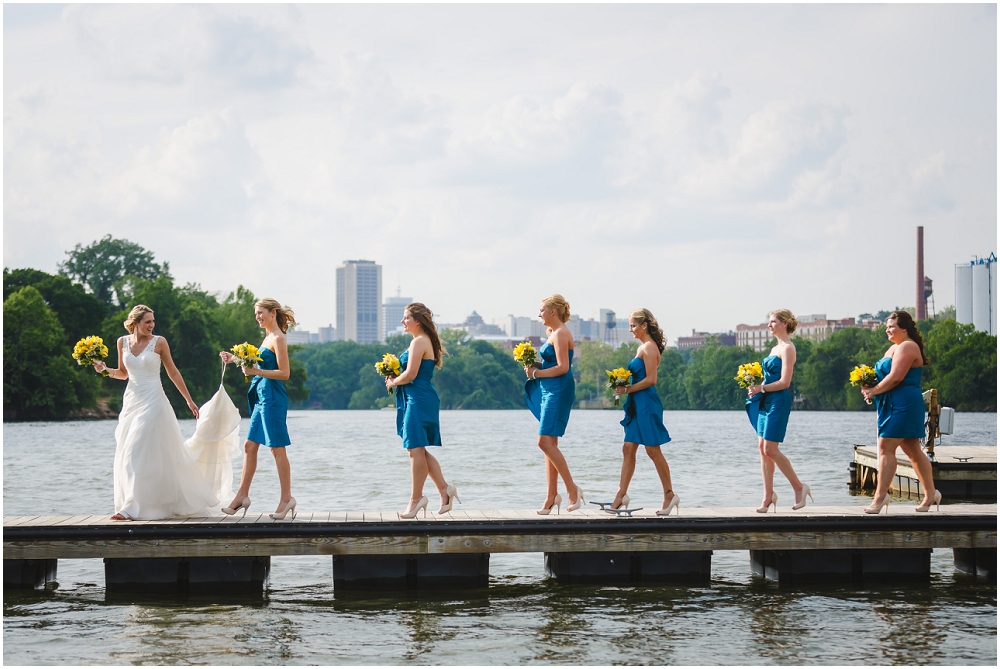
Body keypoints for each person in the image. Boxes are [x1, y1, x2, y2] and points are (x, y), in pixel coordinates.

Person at [94, 305, 237, 520]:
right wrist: (104, 370)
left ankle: (131, 508)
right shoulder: (122, 342)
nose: (152, 325)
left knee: (136, 447)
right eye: (147, 322)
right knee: (131, 452)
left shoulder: (159, 342)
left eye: (153, 321)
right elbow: (123, 374)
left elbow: (173, 372)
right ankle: (143, 503)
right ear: (135, 323)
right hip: (132, 401)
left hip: (154, 400)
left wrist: (189, 400)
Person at [219, 298, 297, 520]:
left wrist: (256, 373)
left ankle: (286, 498)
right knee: (249, 446)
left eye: (261, 313)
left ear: (273, 313)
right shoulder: (267, 337)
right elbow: (258, 361)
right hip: (261, 396)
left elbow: (284, 373)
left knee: (276, 448)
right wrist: (233, 358)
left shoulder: (279, 338)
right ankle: (242, 496)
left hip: (273, 398)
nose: (258, 317)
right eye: (256, 314)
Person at [861, 310, 939, 513]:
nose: (887, 329)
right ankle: (931, 493)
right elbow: (884, 376)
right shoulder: (893, 348)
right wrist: (868, 385)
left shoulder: (908, 346)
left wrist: (874, 392)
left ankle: (880, 497)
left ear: (904, 328)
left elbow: (896, 377)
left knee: (885, 447)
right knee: (912, 451)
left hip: (903, 403)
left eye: (891, 326)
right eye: (886, 326)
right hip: (890, 403)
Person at [385, 303, 458, 518]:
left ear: (417, 321)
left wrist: (393, 383)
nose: (402, 321)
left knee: (414, 449)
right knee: (418, 450)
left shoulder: (419, 341)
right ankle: (444, 489)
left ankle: (416, 500)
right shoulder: (419, 341)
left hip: (419, 398)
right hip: (416, 397)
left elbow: (410, 374)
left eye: (406, 318)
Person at [610, 309, 677, 515]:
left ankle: (669, 495)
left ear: (644, 325)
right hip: (636, 403)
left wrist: (627, 389)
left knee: (652, 450)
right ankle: (621, 495)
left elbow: (651, 380)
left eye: (633, 326)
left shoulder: (649, 348)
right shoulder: (643, 347)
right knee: (628, 448)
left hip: (647, 403)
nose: (631, 330)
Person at [745, 309, 811, 512]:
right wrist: (755, 388)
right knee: (762, 451)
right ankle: (768, 496)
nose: (769, 325)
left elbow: (784, 382)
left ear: (785, 323)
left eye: (773, 321)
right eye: (769, 321)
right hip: (765, 401)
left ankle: (799, 488)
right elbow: (769, 378)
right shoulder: (775, 349)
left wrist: (762, 388)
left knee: (770, 449)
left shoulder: (788, 348)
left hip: (779, 402)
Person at [524, 294, 583, 514]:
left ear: (553, 312)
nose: (539, 314)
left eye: (542, 310)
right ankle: (551, 497)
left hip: (558, 391)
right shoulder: (554, 334)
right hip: (549, 390)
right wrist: (534, 364)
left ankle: (572, 490)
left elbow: (563, 367)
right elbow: (552, 362)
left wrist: (536, 373)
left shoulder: (561, 333)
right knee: (550, 444)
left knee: (544, 443)